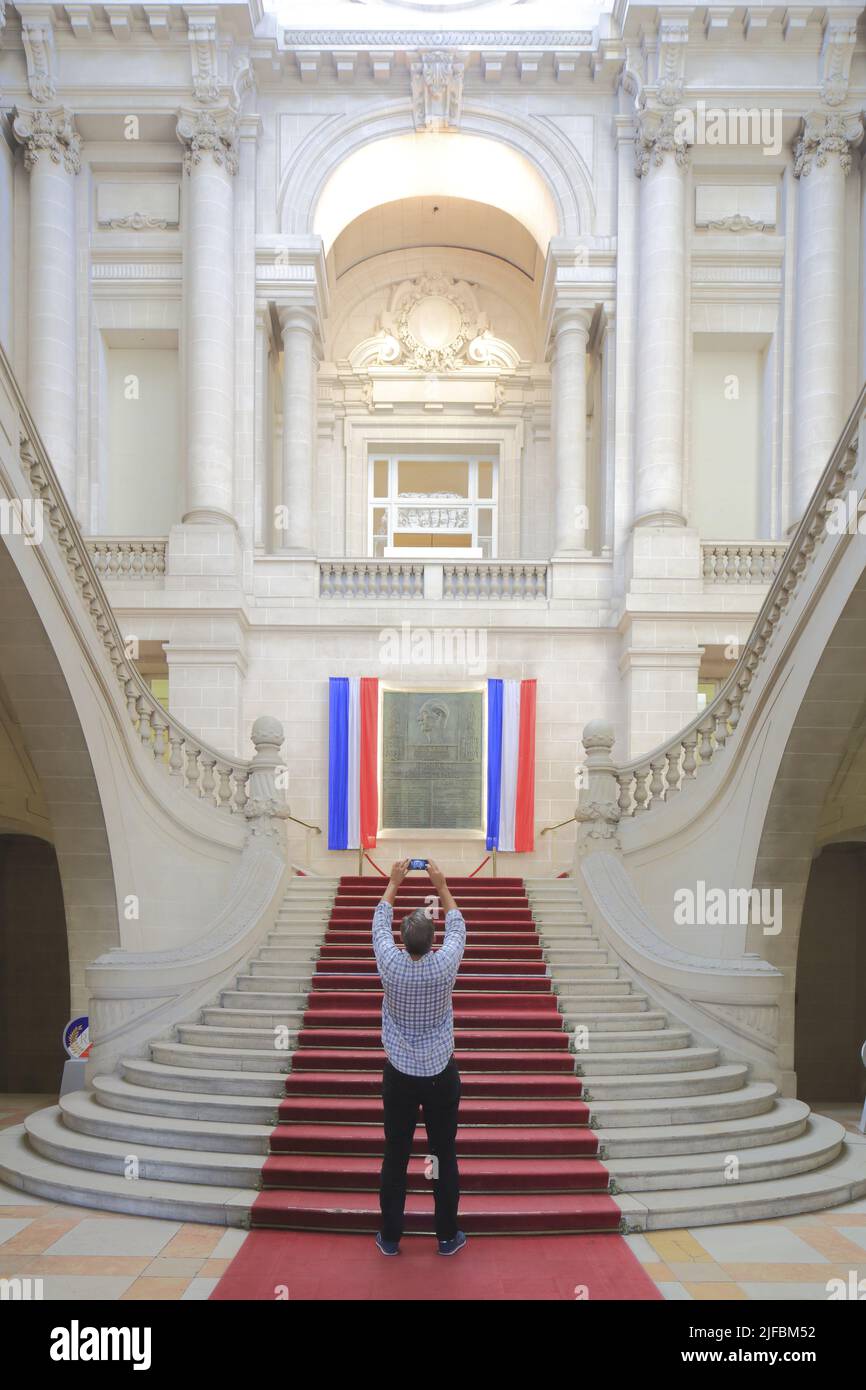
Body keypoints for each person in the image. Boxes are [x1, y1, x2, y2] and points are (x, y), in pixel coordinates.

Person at [372, 857, 467, 1257]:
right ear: (432, 941)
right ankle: (446, 1235)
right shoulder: (445, 964)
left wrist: (394, 882)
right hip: (439, 1073)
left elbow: (378, 923)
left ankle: (391, 1236)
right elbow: (459, 925)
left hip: (399, 1074)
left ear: (403, 939)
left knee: (395, 1153)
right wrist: (441, 885)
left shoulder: (389, 964)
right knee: (442, 1153)